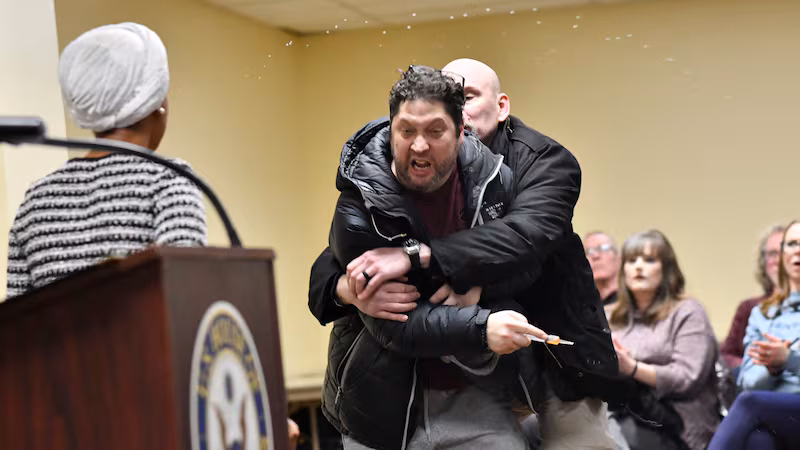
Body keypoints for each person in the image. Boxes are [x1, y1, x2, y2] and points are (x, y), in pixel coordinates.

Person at [309, 59, 619, 449]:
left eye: (467, 96)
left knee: (577, 442)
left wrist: (427, 263)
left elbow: (523, 241)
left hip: (555, 340)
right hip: (444, 366)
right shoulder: (380, 180)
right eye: (409, 130)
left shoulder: (534, 164)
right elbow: (346, 254)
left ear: (500, 107)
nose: (421, 143)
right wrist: (341, 286)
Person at [6, 22, 207, 298]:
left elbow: (18, 324)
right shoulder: (169, 179)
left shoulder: (35, 200)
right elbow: (186, 294)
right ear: (158, 101)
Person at [608, 230, 719, 450]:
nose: (639, 266)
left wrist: (632, 368)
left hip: (676, 422)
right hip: (620, 409)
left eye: (649, 260)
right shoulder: (612, 316)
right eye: (632, 260)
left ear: (666, 269)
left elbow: (687, 378)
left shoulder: (687, 312)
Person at [708, 220, 800, 449]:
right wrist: (773, 367)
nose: (797, 250)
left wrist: (789, 359)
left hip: (774, 406)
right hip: (774, 410)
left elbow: (749, 397)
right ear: (781, 255)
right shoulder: (762, 313)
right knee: (759, 440)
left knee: (749, 404)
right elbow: (749, 382)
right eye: (791, 244)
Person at [720, 224, 784, 369]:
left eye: (783, 253)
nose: (778, 260)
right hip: (758, 385)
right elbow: (726, 355)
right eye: (772, 254)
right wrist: (753, 367)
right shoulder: (750, 308)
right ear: (764, 262)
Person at [584, 231, 620, 306]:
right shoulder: (582, 306)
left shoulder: (637, 300)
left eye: (603, 248)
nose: (595, 256)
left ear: (619, 258)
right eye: (588, 252)